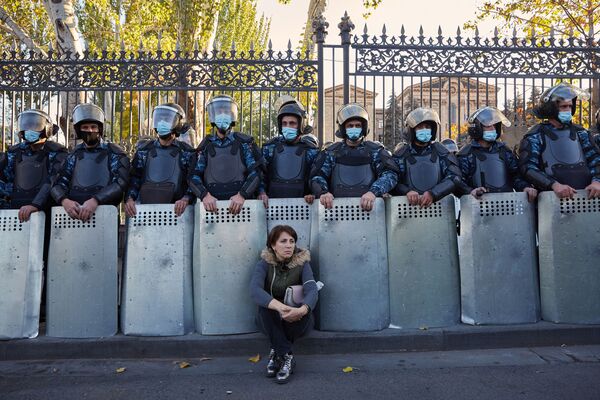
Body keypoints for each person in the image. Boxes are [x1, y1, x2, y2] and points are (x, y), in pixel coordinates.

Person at [249, 224, 318, 384]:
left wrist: (302, 310)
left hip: (298, 320)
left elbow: (312, 289)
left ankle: (276, 351)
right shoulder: (264, 264)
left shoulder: (303, 263)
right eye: (283, 241)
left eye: (292, 241)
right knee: (266, 309)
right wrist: (279, 307)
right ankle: (286, 356)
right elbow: (254, 290)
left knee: (303, 313)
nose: (289, 245)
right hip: (270, 319)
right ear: (273, 245)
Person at [310, 103, 398, 211]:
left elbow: (390, 174)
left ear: (364, 128)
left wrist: (373, 192)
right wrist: (323, 192)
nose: (354, 128)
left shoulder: (375, 151)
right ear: (343, 128)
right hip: (336, 210)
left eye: (358, 125)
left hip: (369, 211)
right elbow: (317, 176)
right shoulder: (331, 152)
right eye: (350, 126)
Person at [519, 82, 600, 199]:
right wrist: (554, 185)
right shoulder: (535, 136)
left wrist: (597, 182)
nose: (568, 110)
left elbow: (596, 159)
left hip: (586, 196)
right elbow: (528, 167)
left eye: (570, 106)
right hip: (552, 199)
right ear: (551, 108)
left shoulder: (581, 133)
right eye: (563, 106)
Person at [51, 103, 130, 221]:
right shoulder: (73, 155)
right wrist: (64, 201)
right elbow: (58, 182)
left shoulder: (114, 152)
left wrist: (96, 200)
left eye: (93, 127)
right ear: (79, 129)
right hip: (74, 214)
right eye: (85, 127)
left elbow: (120, 182)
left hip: (105, 213)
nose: (90, 130)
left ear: (100, 129)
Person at [189, 95, 263, 215]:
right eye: (219, 112)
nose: (222, 115)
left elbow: (255, 173)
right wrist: (204, 195)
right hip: (212, 209)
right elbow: (193, 176)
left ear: (232, 115)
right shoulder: (206, 146)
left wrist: (242, 195)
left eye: (226, 112)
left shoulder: (243, 143)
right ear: (213, 116)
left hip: (242, 208)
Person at [124, 103, 196, 217]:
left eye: (167, 119)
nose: (162, 123)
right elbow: (135, 178)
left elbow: (193, 180)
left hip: (177, 212)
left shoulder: (186, 152)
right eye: (159, 119)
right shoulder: (144, 150)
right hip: (145, 211)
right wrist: (129, 199)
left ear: (178, 123)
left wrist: (186, 199)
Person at [457, 106, 538, 202]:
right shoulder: (466, 154)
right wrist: (470, 191)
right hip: (477, 207)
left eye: (495, 125)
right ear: (477, 128)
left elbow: (516, 175)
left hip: (506, 205)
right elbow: (458, 182)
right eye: (488, 126)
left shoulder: (504, 150)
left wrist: (525, 187)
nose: (493, 128)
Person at [0, 109, 68, 221]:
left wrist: (35, 204)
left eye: (34, 125)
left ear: (47, 129)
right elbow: (4, 179)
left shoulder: (57, 152)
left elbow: (53, 181)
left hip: (45, 209)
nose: (29, 129)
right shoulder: (15, 152)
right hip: (16, 209)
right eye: (26, 126)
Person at [392, 107, 461, 207]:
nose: (424, 130)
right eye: (420, 127)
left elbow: (455, 177)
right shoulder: (401, 154)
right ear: (411, 130)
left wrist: (434, 193)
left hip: (439, 208)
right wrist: (406, 191)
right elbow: (391, 179)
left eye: (427, 126)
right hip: (407, 210)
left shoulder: (441, 151)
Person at [258, 97, 319, 207]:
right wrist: (261, 192)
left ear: (300, 125)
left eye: (292, 123)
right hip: (272, 205)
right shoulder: (269, 147)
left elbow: (316, 176)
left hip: (302, 206)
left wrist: (312, 194)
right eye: (284, 123)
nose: (288, 127)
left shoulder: (311, 150)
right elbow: (260, 173)